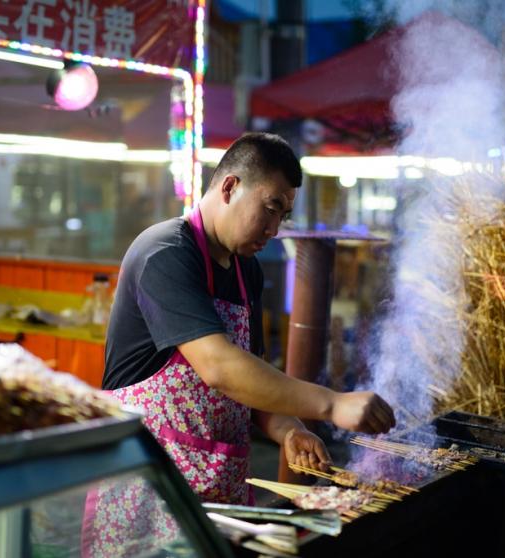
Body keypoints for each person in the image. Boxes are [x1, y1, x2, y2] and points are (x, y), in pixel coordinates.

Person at [82, 133, 395, 556]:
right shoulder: (165, 254)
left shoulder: (248, 273)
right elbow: (221, 368)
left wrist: (287, 428)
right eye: (271, 208)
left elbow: (251, 379)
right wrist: (332, 404)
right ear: (230, 187)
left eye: (283, 215)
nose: (274, 228)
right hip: (149, 492)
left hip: (218, 492)